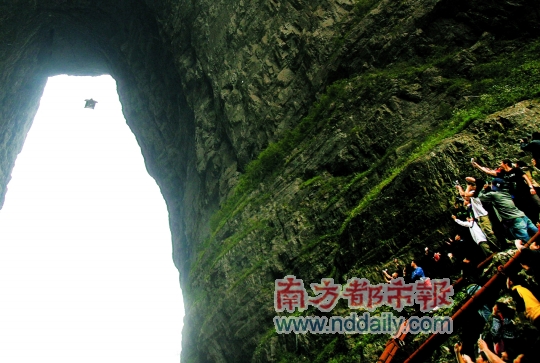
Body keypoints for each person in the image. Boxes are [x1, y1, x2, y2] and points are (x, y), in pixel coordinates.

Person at [473, 159, 539, 223]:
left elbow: (526, 178)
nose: (500, 165)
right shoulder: (503, 173)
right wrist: (478, 166)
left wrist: (531, 187)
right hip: (516, 195)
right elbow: (488, 172)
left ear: (506, 164)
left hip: (526, 191)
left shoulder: (516, 170)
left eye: (501, 163)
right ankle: (533, 222)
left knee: (536, 204)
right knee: (524, 208)